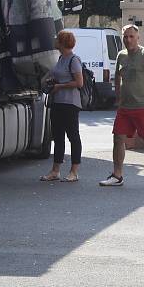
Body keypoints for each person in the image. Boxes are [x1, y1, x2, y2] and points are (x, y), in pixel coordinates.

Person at [99, 24, 144, 188]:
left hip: (143, 106)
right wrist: (118, 97)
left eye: (131, 36)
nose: (128, 40)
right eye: (125, 36)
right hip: (125, 107)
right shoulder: (121, 55)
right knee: (118, 138)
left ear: (138, 38)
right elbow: (117, 76)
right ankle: (117, 175)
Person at [40, 30, 84, 183]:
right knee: (58, 137)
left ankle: (74, 171)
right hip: (57, 102)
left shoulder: (74, 60)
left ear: (62, 43)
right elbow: (54, 74)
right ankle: (55, 171)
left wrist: (60, 86)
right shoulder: (61, 58)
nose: (54, 41)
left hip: (70, 104)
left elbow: (79, 83)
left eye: (57, 39)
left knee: (73, 136)